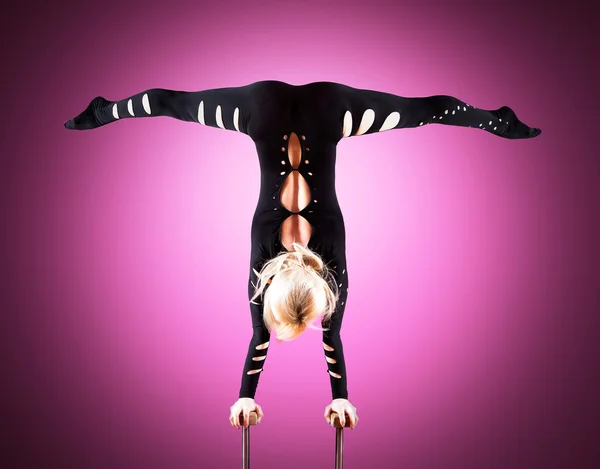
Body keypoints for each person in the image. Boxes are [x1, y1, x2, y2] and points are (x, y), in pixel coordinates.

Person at [65, 79, 541, 431]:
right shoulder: (261, 267)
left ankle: (496, 120)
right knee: (173, 104)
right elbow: (260, 338)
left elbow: (326, 340)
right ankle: (103, 110)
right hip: (265, 111)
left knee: (423, 110)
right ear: (269, 287)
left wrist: (335, 399)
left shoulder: (331, 269)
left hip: (325, 112)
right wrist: (249, 399)